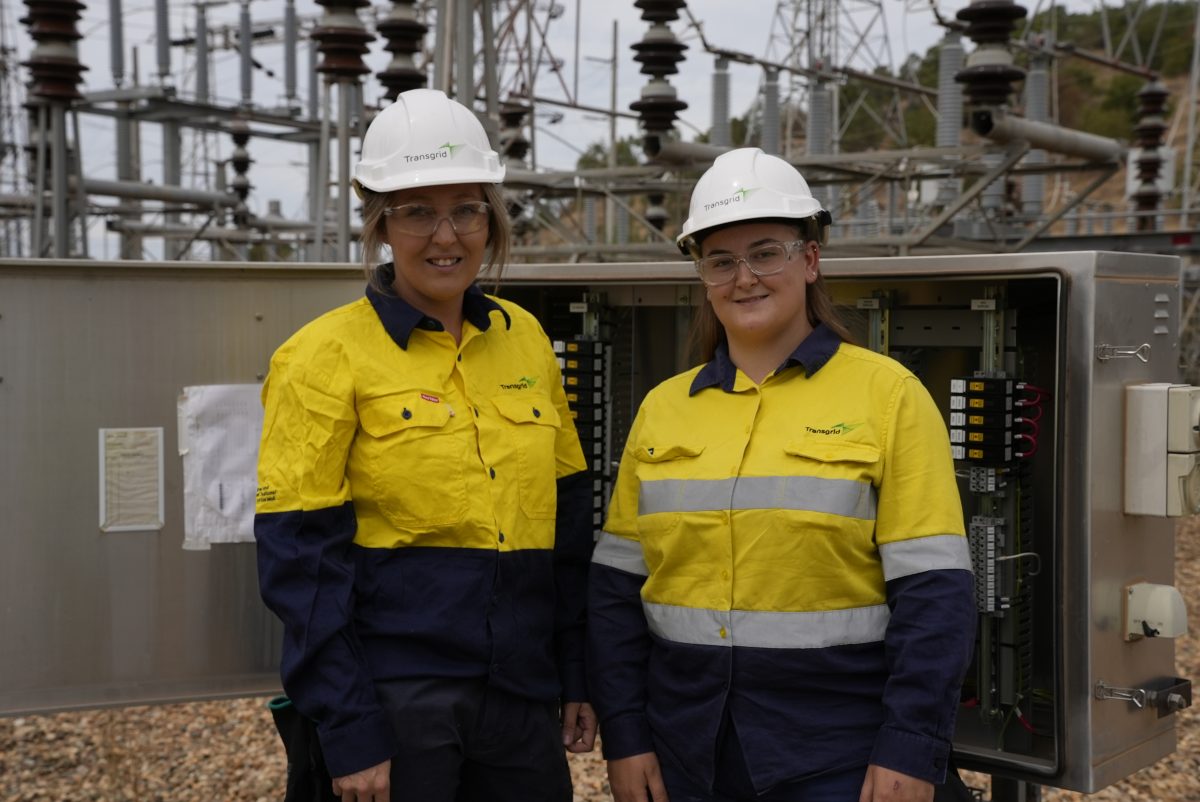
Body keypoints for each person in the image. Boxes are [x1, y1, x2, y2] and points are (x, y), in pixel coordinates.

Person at [587, 147, 976, 802]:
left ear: (810, 260)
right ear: (702, 275)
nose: (745, 278)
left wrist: (910, 747)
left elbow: (935, 594)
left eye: (766, 252)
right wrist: (625, 734)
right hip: (688, 750)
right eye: (721, 261)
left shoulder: (889, 397)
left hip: (838, 753)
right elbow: (616, 593)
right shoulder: (663, 410)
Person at [255, 88, 596, 802]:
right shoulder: (321, 357)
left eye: (467, 209)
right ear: (380, 225)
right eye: (416, 212)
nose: (447, 235)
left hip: (519, 698)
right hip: (397, 701)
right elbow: (301, 566)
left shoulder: (525, 339)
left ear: (491, 217)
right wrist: (349, 730)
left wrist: (575, 673)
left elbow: (565, 532)